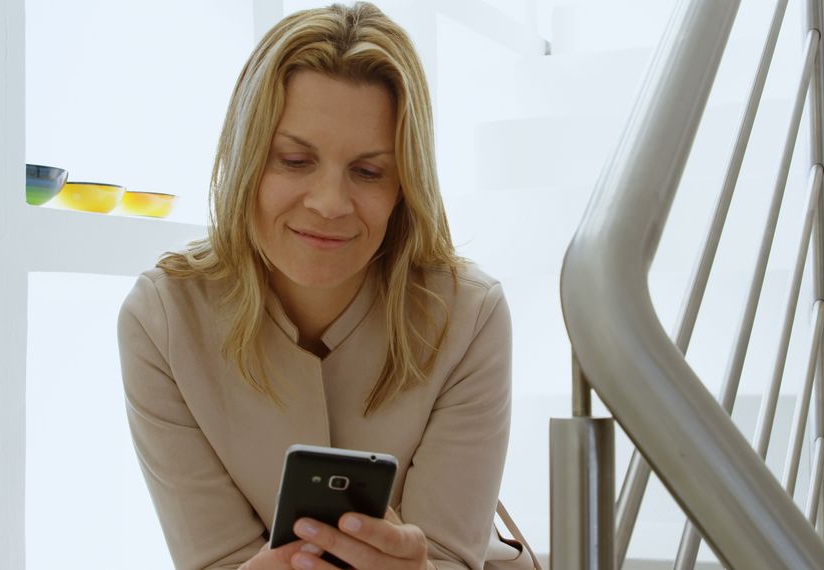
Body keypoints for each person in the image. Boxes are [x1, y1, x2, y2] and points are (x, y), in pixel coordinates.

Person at [117, 3, 528, 568]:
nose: (330, 204)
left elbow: (449, 555)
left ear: (405, 184)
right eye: (294, 160)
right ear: (246, 160)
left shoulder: (469, 314)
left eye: (368, 172)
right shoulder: (162, 319)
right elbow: (214, 558)